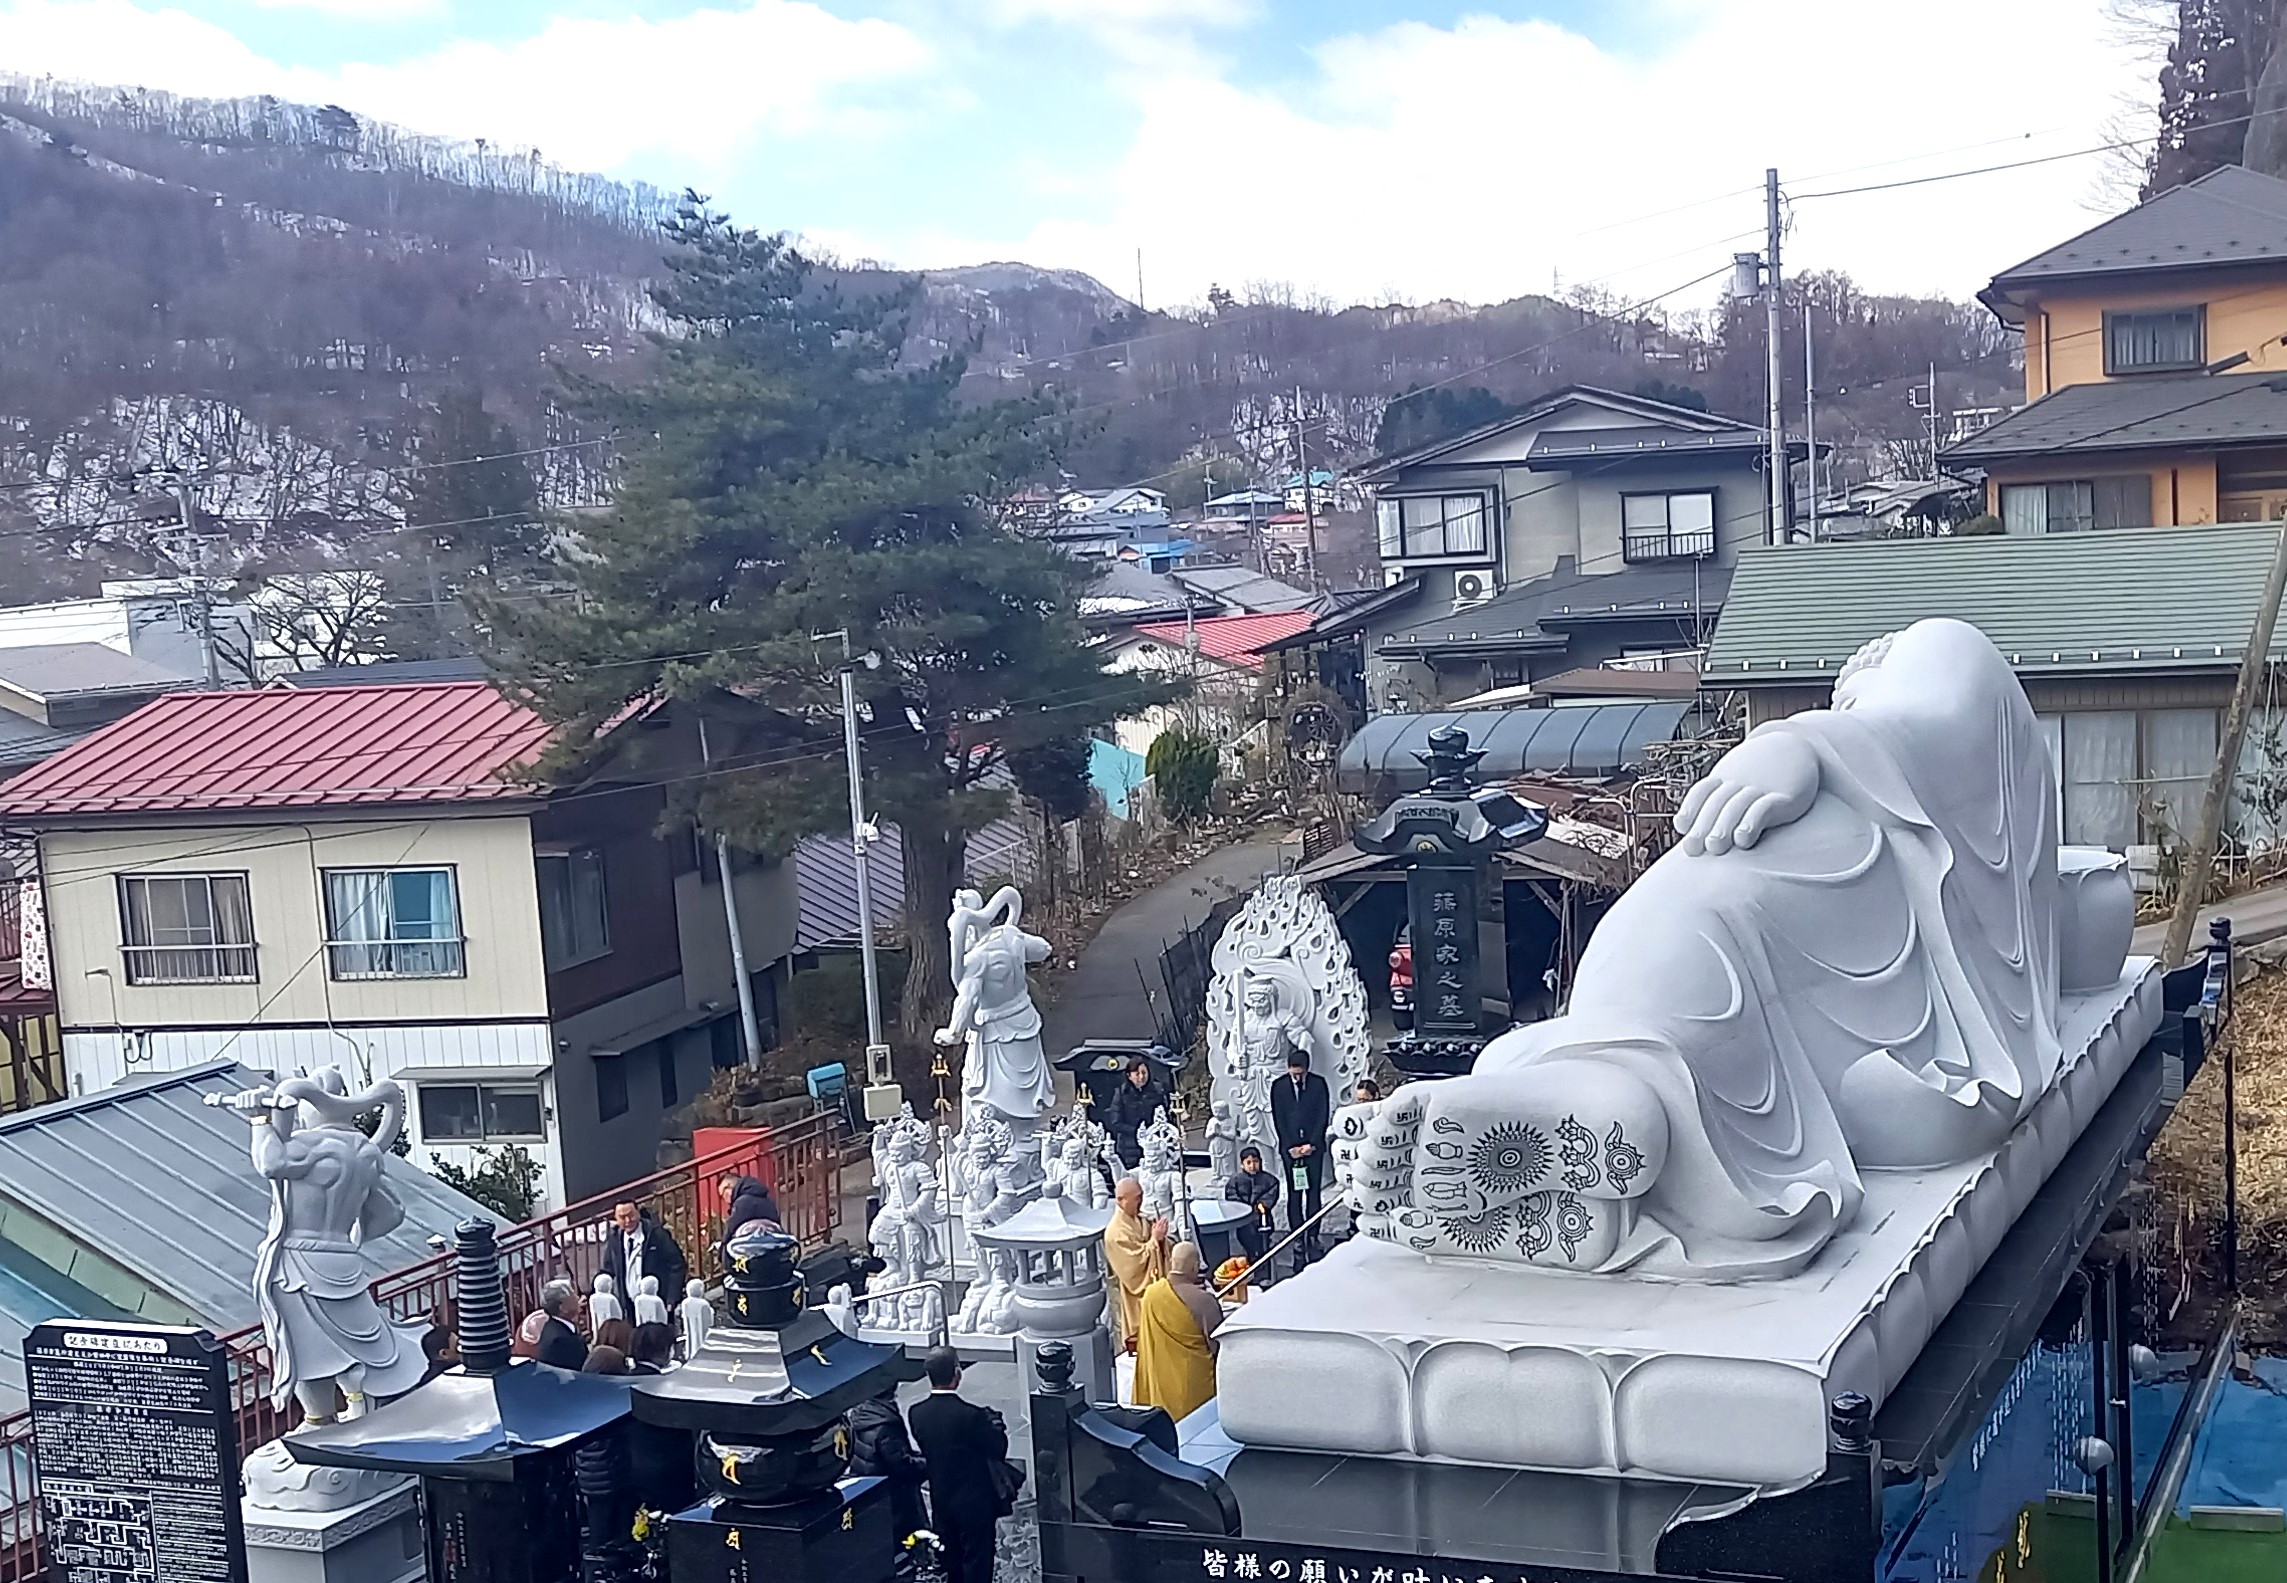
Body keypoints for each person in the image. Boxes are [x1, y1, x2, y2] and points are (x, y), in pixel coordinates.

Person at [907, 1347, 1008, 1583]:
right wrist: (996, 1426)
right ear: (956, 1373)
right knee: (977, 1561)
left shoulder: (916, 1413)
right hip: (975, 1502)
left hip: (941, 1499)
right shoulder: (971, 1416)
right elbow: (998, 1449)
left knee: (951, 1562)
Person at [1134, 1242, 1220, 1423]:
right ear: (1195, 1267)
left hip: (1159, 1389)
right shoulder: (1203, 1301)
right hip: (1195, 1391)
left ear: (1172, 1262)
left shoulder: (1151, 1294)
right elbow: (1219, 1346)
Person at [1270, 1048, 1331, 1267]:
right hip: (1291, 1150)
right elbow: (1279, 1119)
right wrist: (1290, 1146)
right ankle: (1297, 1236)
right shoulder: (1279, 1087)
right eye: (1293, 1073)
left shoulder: (1318, 1084)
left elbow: (1322, 1115)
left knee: (1313, 1192)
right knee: (1295, 1194)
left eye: (1300, 1074)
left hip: (1312, 1149)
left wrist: (1312, 1144)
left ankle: (1313, 1235)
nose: (1296, 1078)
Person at [847, 1385, 928, 1548]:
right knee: (904, 1542)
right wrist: (928, 1464)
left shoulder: (859, 1415)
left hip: (870, 1488)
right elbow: (901, 1464)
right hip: (894, 1496)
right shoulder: (886, 1425)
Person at [576, 1347, 635, 1556]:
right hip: (608, 1473)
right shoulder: (606, 1399)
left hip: (590, 1476)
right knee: (608, 1532)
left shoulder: (580, 1393)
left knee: (598, 1526)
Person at [1102, 1176, 1168, 1353]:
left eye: (1141, 1196)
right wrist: (1155, 1240)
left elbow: (1153, 1245)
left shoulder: (1140, 1220)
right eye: (1137, 1198)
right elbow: (1133, 1268)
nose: (1141, 1202)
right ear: (1121, 1200)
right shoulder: (1115, 1233)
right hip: (1133, 1298)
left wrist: (1160, 1238)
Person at [601, 1199, 689, 1309]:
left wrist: (671, 1299)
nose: (628, 1220)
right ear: (616, 1219)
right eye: (622, 1217)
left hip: (657, 1303)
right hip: (629, 1305)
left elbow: (677, 1265)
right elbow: (607, 1269)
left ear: (638, 1213)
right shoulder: (615, 1239)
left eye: (631, 1215)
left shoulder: (656, 1234)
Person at [1105, 1056, 1169, 1170]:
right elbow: (1116, 1122)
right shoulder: (1121, 1093)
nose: (1141, 1077)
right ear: (1129, 1076)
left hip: (1152, 1145)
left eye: (1144, 1073)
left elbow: (1165, 1115)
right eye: (1137, 1074)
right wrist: (1138, 1132)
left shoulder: (1158, 1090)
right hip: (1128, 1147)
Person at [1224, 1145, 1280, 1271]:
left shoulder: (1269, 1180)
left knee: (1263, 1241)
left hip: (1261, 1216)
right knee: (1246, 1238)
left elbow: (1271, 1193)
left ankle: (1264, 1263)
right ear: (1242, 1164)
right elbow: (1231, 1195)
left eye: (1255, 1162)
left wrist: (1262, 1204)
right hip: (1244, 1219)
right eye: (1248, 1162)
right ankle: (1251, 1257)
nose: (1252, 1165)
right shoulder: (1235, 1180)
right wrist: (1241, 1208)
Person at [534, 1280, 587, 1371]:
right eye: (573, 1295)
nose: (578, 1298)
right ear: (562, 1307)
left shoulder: (550, 1327)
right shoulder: (561, 1339)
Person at [718, 1173, 780, 1242]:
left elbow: (729, 1233)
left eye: (723, 1194)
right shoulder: (769, 1201)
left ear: (729, 1186)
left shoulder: (741, 1203)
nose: (724, 1199)